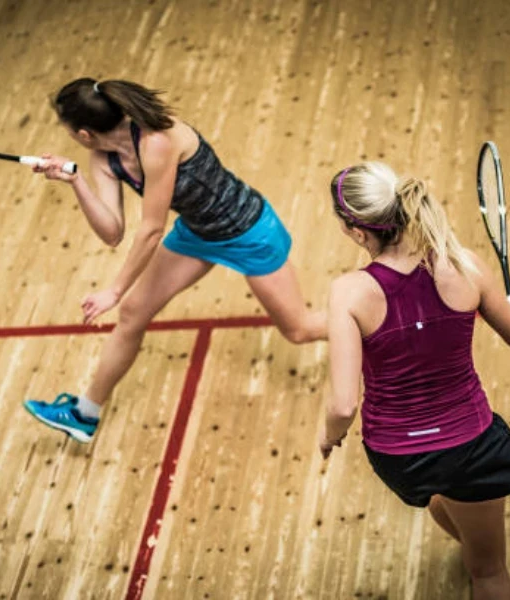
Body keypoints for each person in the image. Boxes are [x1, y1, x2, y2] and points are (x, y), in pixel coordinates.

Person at [23, 78, 326, 443]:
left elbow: (151, 230)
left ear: (84, 133)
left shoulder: (158, 142)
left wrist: (114, 290)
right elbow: (112, 232)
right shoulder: (103, 158)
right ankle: (84, 414)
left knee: (299, 330)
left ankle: (382, 321)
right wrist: (76, 183)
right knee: (134, 313)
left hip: (248, 233)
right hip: (199, 233)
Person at [318, 162, 510, 600]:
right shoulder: (465, 265)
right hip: (471, 444)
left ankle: (472, 537)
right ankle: (480, 551)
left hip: (401, 458)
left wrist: (329, 437)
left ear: (359, 233)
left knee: (437, 501)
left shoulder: (348, 293)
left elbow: (343, 406)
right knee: (489, 571)